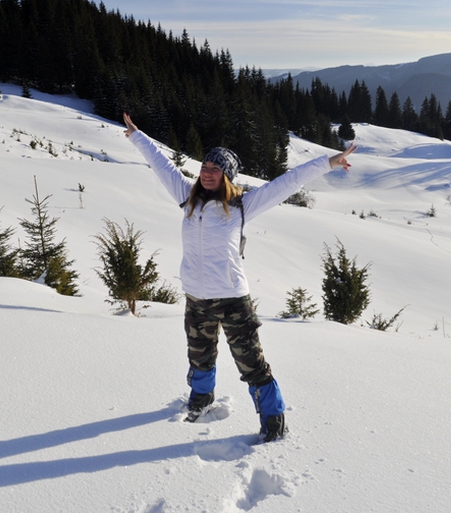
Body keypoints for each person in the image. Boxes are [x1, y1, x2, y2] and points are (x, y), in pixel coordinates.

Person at [123, 112, 356, 442]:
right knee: (199, 356)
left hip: (233, 299)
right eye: (205, 167)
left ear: (227, 176)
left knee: (251, 364)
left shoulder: (243, 206)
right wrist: (136, 136)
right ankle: (202, 398)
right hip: (196, 298)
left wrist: (328, 162)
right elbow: (162, 165)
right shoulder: (186, 200)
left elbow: (287, 183)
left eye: (215, 170)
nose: (207, 173)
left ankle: (273, 419)